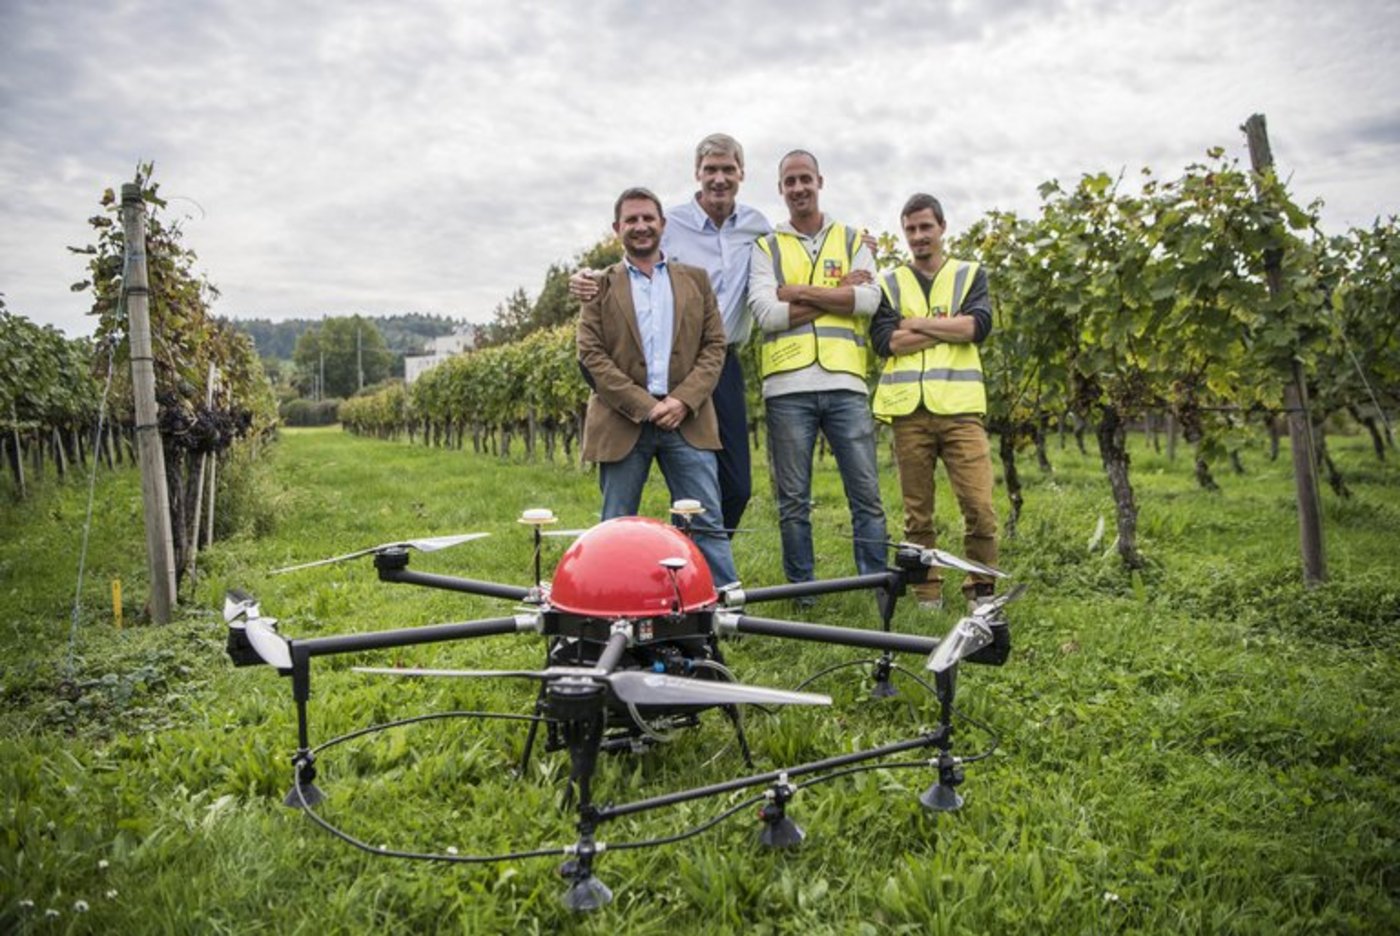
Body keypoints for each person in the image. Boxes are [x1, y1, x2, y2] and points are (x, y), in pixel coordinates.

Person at [573, 133, 771, 535]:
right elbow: (636, 266)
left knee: (736, 487)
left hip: (719, 362)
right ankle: (673, 561)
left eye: (727, 169)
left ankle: (687, 552)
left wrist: (863, 245)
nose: (719, 178)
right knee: (677, 489)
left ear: (742, 174)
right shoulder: (672, 222)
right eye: (710, 169)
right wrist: (586, 279)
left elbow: (791, 255)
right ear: (697, 173)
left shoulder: (757, 226)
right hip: (662, 369)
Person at [577, 187, 738, 587]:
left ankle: (721, 606)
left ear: (662, 224)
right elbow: (591, 355)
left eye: (648, 217)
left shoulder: (696, 281)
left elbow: (715, 345)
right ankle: (610, 602)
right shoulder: (598, 286)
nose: (641, 226)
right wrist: (647, 406)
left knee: (706, 521)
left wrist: (682, 400)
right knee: (615, 525)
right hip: (623, 421)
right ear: (618, 229)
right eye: (631, 219)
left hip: (687, 419)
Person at [747, 150, 888, 588]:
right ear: (780, 190)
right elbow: (766, 314)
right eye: (790, 181)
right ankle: (802, 588)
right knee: (792, 500)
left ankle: (873, 583)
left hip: (846, 384)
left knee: (866, 494)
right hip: (787, 388)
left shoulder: (852, 240)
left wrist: (797, 292)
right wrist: (835, 293)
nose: (798, 188)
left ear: (820, 181)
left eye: (805, 178)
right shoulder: (766, 246)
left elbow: (868, 301)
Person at [868, 193, 997, 610]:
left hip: (961, 409)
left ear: (942, 227)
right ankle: (927, 593)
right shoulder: (889, 283)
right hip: (909, 412)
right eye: (911, 229)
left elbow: (977, 327)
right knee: (916, 514)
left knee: (979, 507)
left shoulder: (969, 273)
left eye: (926, 227)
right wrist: (946, 325)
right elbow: (887, 342)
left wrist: (917, 323)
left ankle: (981, 591)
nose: (919, 236)